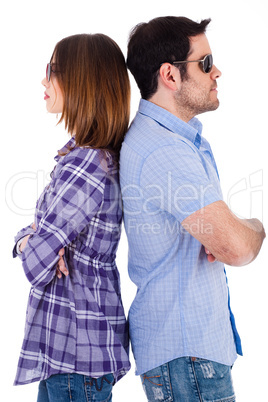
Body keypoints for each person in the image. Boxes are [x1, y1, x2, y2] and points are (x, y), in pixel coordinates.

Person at [119, 16, 266, 401]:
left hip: (187, 357)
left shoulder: (173, 140)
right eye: (204, 62)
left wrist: (228, 229)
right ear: (170, 75)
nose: (217, 71)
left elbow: (226, 239)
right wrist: (255, 225)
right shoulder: (165, 150)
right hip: (187, 359)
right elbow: (237, 247)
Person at [13, 33, 131, 401]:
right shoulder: (92, 159)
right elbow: (37, 243)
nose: (43, 80)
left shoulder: (84, 164)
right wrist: (31, 237)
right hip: (78, 359)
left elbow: (35, 264)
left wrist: (33, 240)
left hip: (74, 363)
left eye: (52, 70)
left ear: (81, 80)